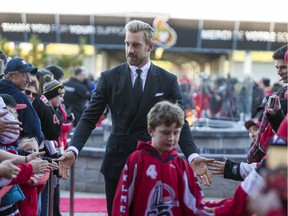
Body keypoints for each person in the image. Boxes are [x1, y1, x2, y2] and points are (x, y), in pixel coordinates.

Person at [58, 20, 213, 216]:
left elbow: (180, 122)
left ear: (150, 46)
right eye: (127, 44)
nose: (130, 50)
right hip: (117, 163)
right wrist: (73, 149)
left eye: (136, 45)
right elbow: (89, 118)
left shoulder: (168, 80)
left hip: (153, 166)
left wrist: (192, 155)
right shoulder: (109, 78)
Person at [112, 101, 210, 215]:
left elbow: (194, 206)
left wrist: (228, 207)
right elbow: (122, 203)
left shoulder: (182, 166)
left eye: (176, 133)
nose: (171, 138)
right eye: (165, 133)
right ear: (151, 131)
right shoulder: (136, 161)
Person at [0, 57, 44, 145]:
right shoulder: (20, 97)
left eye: (29, 75)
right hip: (16, 152)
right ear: (11, 76)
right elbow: (34, 130)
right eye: (24, 75)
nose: (29, 80)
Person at [17, 137, 50, 216]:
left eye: (35, 150)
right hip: (20, 207)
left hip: (32, 207)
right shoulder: (20, 166)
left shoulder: (39, 167)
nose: (32, 153)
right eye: (29, 150)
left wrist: (39, 184)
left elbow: (37, 189)